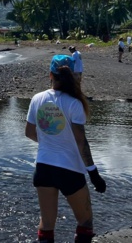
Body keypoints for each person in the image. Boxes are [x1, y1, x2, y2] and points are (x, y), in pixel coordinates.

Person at [26, 55, 106, 243]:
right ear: (72, 75)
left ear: (50, 75)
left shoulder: (37, 99)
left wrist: (49, 143)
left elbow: (29, 132)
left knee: (46, 225)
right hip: (70, 170)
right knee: (85, 222)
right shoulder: (75, 103)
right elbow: (81, 142)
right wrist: (93, 173)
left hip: (44, 168)